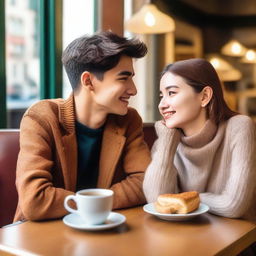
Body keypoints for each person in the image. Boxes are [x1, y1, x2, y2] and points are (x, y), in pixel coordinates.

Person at [14, 31, 151, 222]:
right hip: (41, 236)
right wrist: (97, 204)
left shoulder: (128, 120)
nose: (133, 89)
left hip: (103, 232)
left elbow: (146, 183)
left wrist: (89, 205)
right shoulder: (41, 118)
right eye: (123, 78)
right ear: (88, 81)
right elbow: (35, 201)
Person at [143, 58, 256, 221]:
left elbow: (234, 205)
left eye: (171, 93)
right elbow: (156, 201)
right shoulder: (167, 138)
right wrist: (167, 141)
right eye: (161, 95)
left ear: (204, 96)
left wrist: (182, 201)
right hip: (186, 236)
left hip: (236, 240)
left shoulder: (239, 126)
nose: (161, 104)